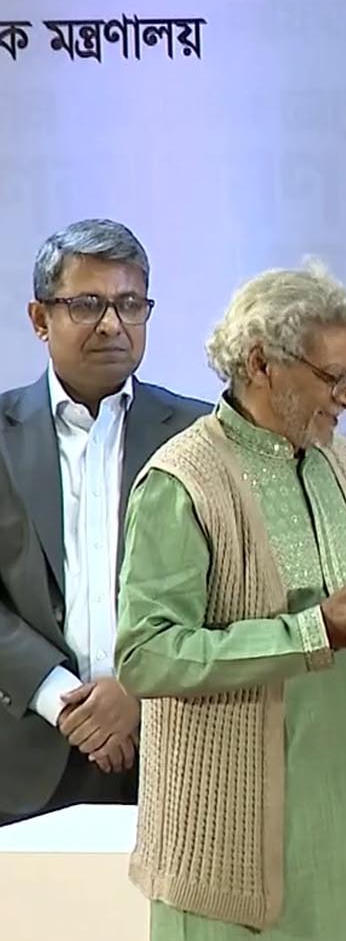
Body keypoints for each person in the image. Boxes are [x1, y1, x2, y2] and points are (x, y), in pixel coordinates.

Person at [114, 261, 346, 941]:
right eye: (334, 378)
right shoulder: (183, 480)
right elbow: (146, 654)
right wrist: (311, 630)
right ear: (261, 362)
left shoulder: (344, 464)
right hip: (246, 852)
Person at [0, 219, 210, 826]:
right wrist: (59, 699)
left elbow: (232, 594)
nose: (113, 324)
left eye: (130, 304)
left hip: (177, 758)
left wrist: (139, 693)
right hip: (23, 756)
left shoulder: (202, 435)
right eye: (87, 304)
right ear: (40, 318)